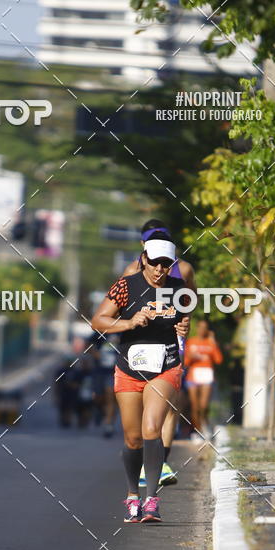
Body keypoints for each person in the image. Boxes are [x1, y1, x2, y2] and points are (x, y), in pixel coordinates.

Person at [91, 236, 190, 523]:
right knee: (133, 438)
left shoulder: (178, 290)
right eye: (154, 262)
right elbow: (98, 321)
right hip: (129, 368)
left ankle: (152, 500)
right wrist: (129, 323)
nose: (159, 269)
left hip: (166, 366)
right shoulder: (127, 286)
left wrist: (184, 326)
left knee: (151, 428)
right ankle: (133, 495)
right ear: (143, 259)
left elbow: (185, 322)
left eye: (166, 264)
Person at [122, 219, 196, 486]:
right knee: (148, 402)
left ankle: (160, 461)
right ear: (144, 246)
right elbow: (121, 304)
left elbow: (189, 301)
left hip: (172, 339)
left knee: (172, 402)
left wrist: (183, 321)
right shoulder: (133, 271)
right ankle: (148, 458)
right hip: (141, 341)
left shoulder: (184, 269)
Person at [184, 319, 223, 441]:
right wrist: (192, 356)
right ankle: (198, 431)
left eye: (204, 327)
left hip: (207, 375)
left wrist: (214, 343)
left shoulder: (210, 342)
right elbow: (185, 362)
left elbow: (218, 360)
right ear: (197, 328)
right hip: (193, 376)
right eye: (200, 327)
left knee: (204, 405)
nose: (202, 329)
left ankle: (205, 424)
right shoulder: (191, 341)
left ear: (207, 330)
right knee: (195, 406)